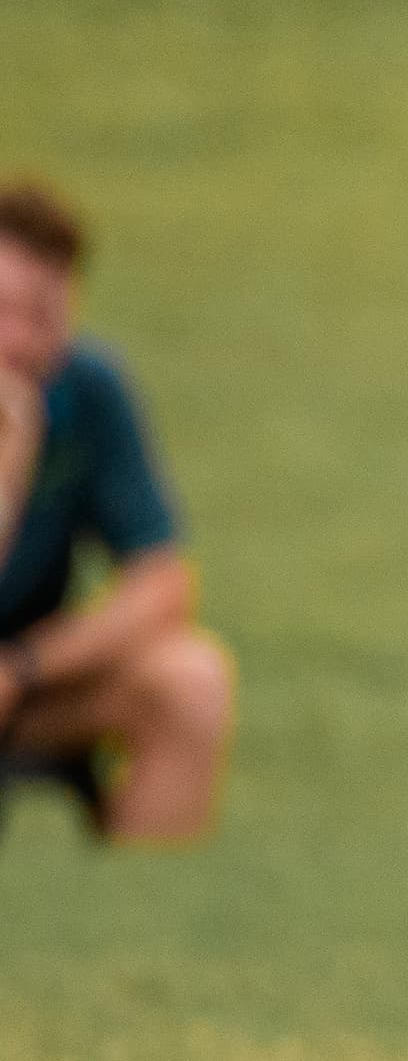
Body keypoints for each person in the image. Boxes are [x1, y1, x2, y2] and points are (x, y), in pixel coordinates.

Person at [0, 182, 235, 843]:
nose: (19, 340)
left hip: (21, 680)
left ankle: (147, 928)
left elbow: (163, 585)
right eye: (3, 310)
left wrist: (23, 668)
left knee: (191, 677)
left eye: (43, 315)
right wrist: (9, 464)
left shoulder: (88, 390)